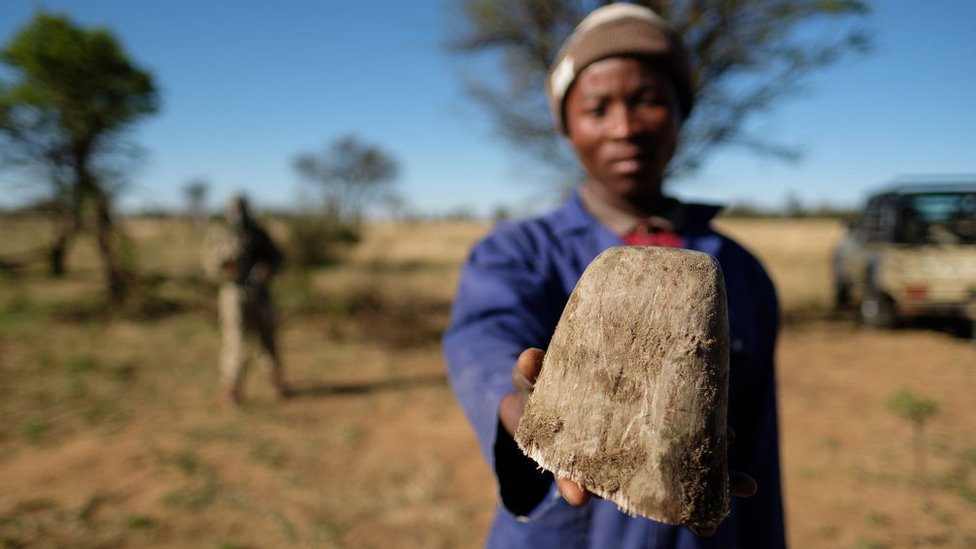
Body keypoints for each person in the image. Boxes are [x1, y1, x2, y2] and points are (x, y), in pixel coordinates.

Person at [443, 4, 786, 548]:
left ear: (681, 112)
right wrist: (524, 409)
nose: (624, 128)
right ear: (567, 126)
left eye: (648, 100)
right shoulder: (519, 250)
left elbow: (758, 442)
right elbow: (482, 341)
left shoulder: (737, 269)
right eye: (597, 108)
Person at [204, 194, 287, 406]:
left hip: (260, 293)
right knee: (235, 341)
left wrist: (266, 270)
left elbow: (277, 259)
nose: (238, 213)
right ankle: (233, 388)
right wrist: (225, 264)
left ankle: (275, 381)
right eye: (234, 209)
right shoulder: (220, 234)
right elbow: (209, 265)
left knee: (267, 338)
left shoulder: (259, 234)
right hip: (233, 293)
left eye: (241, 208)